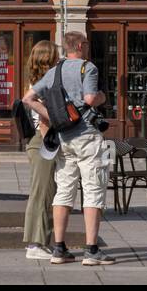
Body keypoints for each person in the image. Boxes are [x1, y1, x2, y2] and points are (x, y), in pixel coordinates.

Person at [22, 29, 114, 266]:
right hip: (86, 136)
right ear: (81, 46)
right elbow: (91, 99)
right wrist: (103, 97)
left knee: (64, 190)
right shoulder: (88, 67)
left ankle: (59, 248)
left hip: (64, 138)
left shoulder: (55, 70)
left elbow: (27, 98)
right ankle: (92, 250)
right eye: (86, 44)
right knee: (93, 189)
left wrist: (52, 115)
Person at [21, 40, 60, 259]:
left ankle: (41, 242)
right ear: (48, 58)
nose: (59, 59)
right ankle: (35, 245)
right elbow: (43, 116)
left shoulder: (38, 81)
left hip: (41, 141)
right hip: (43, 141)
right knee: (42, 193)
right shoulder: (43, 83)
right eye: (56, 55)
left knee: (47, 192)